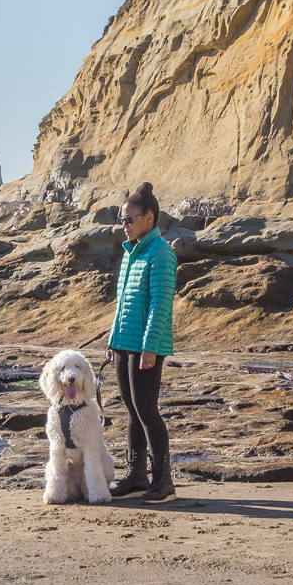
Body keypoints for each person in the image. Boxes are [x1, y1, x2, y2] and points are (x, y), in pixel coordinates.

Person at [107, 181, 178, 502]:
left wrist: (150, 347)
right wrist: (112, 341)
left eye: (128, 220)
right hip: (124, 343)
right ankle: (136, 475)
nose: (124, 226)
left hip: (147, 347)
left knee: (147, 409)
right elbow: (123, 302)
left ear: (149, 218)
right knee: (132, 410)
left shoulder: (161, 253)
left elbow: (160, 303)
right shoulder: (131, 253)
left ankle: (163, 481)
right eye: (122, 220)